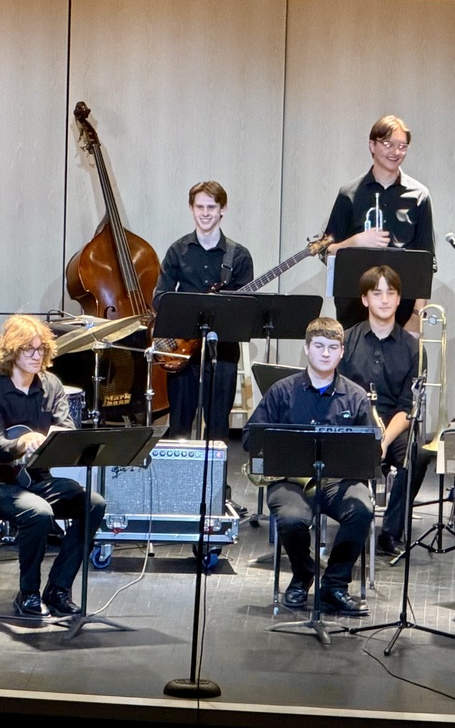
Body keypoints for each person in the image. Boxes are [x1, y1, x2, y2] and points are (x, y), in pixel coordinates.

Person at [0, 315, 106, 618]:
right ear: (12, 352)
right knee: (39, 512)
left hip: (37, 477)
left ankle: (58, 589)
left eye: (40, 350)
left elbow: (66, 430)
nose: (37, 356)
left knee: (93, 503)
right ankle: (29, 594)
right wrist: (23, 442)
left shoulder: (52, 385)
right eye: (28, 350)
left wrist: (52, 440)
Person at [243, 317, 375, 616]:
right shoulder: (281, 391)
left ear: (342, 352)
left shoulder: (355, 397)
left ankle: (334, 585)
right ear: (306, 349)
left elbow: (369, 452)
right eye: (319, 346)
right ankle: (303, 574)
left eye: (332, 347)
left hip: (337, 481)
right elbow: (252, 437)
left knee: (362, 510)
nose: (325, 353)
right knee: (290, 519)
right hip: (291, 481)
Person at [338, 265, 428, 556]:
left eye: (391, 293)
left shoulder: (413, 349)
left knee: (417, 453)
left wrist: (384, 441)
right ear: (365, 300)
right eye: (377, 293)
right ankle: (349, 522)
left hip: (392, 427)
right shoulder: (346, 341)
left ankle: (391, 532)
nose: (385, 300)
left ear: (399, 299)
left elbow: (407, 407)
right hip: (352, 425)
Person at [153, 181, 254, 440]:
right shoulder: (178, 250)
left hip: (223, 354)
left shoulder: (239, 256)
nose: (205, 213)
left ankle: (216, 482)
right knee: (179, 428)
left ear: (223, 209)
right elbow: (160, 298)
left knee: (218, 428)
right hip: (182, 352)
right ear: (191, 209)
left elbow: (245, 311)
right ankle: (179, 481)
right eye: (200, 207)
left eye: (211, 207)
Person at [323, 115, 435, 330]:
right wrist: (356, 241)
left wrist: (415, 316)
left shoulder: (420, 196)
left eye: (402, 146)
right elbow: (327, 252)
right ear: (372, 145)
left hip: (402, 314)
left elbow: (427, 262)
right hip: (353, 312)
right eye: (388, 144)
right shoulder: (349, 195)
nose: (396, 152)